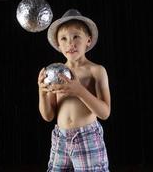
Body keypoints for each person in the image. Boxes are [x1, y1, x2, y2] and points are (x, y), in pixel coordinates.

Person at [37, 9, 111, 171]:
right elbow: (48, 116)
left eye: (76, 36)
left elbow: (104, 113)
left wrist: (79, 90)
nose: (70, 43)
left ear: (88, 40)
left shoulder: (96, 71)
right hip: (60, 139)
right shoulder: (55, 73)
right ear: (58, 44)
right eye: (63, 38)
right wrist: (42, 93)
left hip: (87, 137)